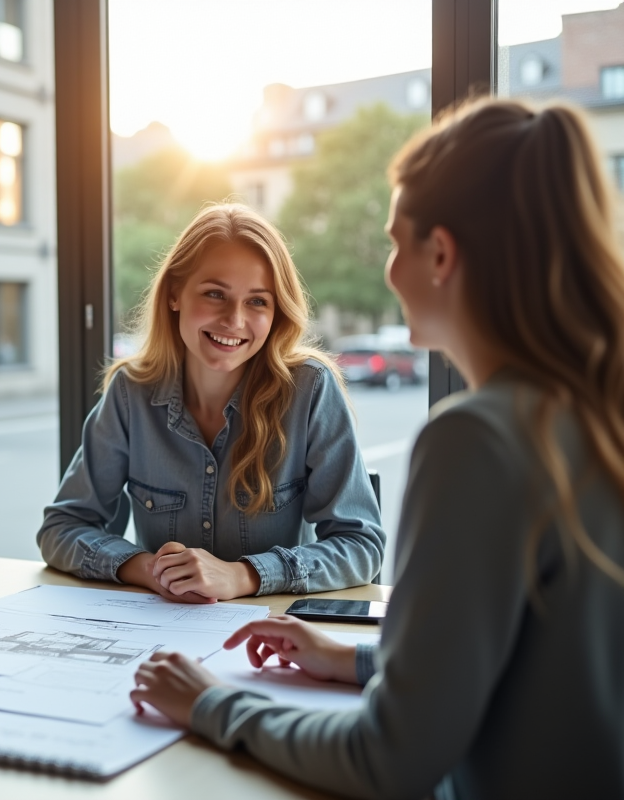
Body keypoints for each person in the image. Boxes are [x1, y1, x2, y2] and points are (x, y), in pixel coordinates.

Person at [130, 99, 624, 799]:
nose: (389, 270)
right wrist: (359, 661)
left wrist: (210, 703)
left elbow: (389, 760)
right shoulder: (593, 411)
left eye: (396, 243)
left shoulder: (476, 439)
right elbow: (541, 671)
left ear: (442, 255)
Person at [37, 204, 385, 601]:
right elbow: (61, 528)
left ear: (276, 312)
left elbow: (360, 546)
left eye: (257, 301)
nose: (234, 320)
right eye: (215, 294)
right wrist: (150, 570)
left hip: (268, 641)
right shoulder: (129, 393)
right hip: (161, 635)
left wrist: (242, 576)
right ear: (174, 295)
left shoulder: (309, 389)